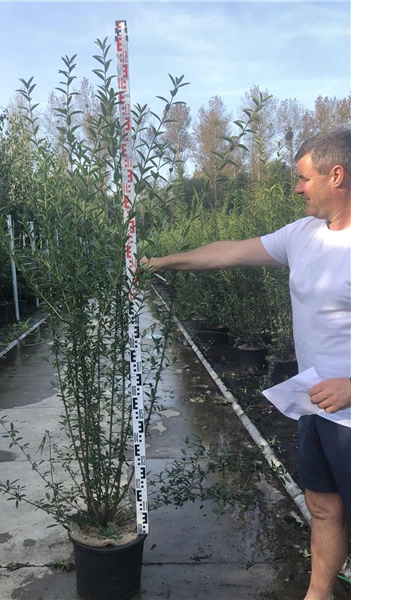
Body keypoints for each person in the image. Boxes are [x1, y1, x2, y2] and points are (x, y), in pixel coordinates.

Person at [141, 129, 353, 600]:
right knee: (322, 508)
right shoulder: (301, 235)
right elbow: (227, 251)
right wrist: (158, 262)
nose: (296, 188)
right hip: (314, 405)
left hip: (354, 413)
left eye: (304, 178)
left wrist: (354, 387)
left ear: (336, 175)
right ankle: (318, 594)